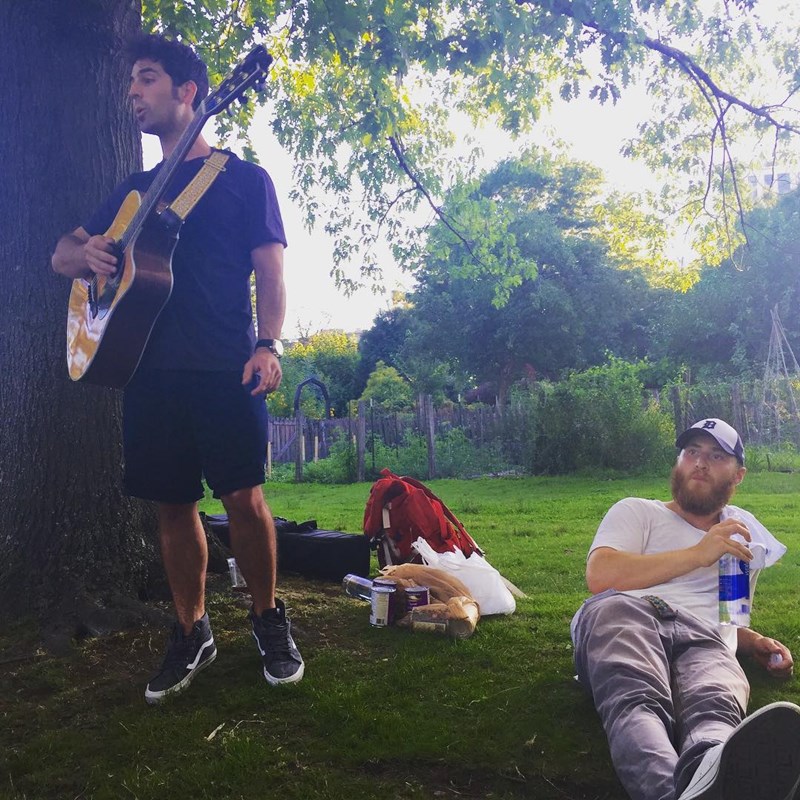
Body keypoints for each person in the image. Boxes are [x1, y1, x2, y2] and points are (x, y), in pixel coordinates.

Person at [52, 34, 304, 703]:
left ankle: (265, 616)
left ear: (190, 92)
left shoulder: (244, 179)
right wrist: (89, 259)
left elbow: (270, 269)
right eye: (132, 82)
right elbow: (61, 254)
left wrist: (269, 345)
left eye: (148, 80)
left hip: (226, 364)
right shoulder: (131, 194)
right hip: (145, 370)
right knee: (172, 508)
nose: (134, 92)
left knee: (245, 502)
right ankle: (192, 630)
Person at [571, 418, 800, 800]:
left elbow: (732, 615)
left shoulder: (742, 532)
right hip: (627, 614)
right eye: (691, 451)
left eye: (715, 455)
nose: (700, 462)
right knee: (636, 697)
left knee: (715, 703)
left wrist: (754, 641)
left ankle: (709, 776)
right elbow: (601, 576)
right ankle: (669, 791)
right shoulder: (637, 511)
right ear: (678, 463)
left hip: (707, 637)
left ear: (738, 474)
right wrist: (697, 554)